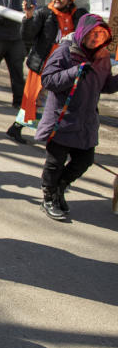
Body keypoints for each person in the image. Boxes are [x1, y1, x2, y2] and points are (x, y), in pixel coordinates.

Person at [34, 14, 118, 220]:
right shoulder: (66, 51)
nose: (96, 38)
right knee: (55, 162)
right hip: (62, 118)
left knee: (85, 160)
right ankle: (49, 197)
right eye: (93, 34)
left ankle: (60, 187)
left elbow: (105, 86)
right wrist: (74, 72)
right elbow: (48, 79)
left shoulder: (102, 57)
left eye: (101, 35)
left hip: (86, 121)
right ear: (83, 33)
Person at [7, 0, 87, 143]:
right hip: (43, 65)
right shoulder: (44, 13)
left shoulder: (77, 16)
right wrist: (29, 17)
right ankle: (18, 128)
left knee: (56, 102)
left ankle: (45, 132)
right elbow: (27, 36)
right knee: (35, 99)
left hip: (64, 66)